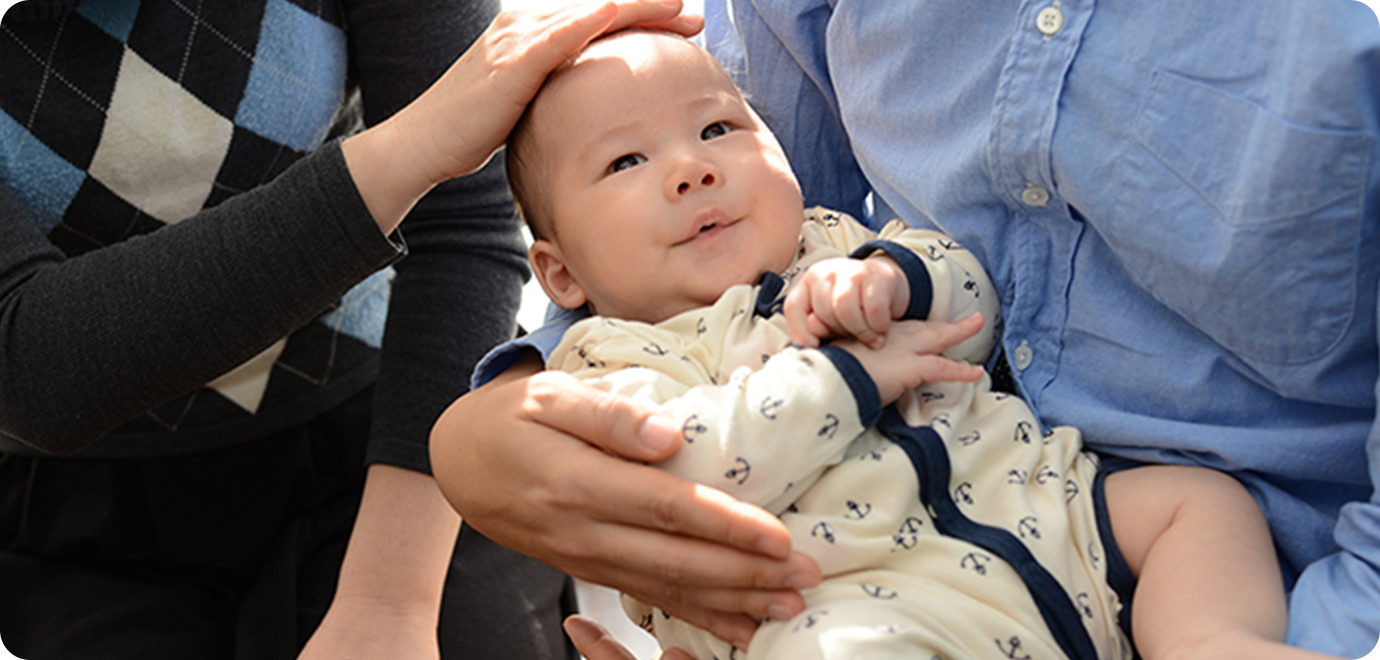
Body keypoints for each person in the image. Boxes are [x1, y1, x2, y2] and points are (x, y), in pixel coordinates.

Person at [431, 2, 1380, 657]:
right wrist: (845, 377)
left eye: (721, 130)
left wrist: (894, 279)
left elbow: (971, 299)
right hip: (847, 599)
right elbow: (694, 472)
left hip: (1057, 518)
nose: (691, 169)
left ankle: (1210, 640)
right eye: (629, 161)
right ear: (557, 273)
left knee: (1200, 507)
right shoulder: (613, 360)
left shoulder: (832, 246)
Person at [0, 1, 700, 658]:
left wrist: (390, 599)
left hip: (402, 424)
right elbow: (28, 366)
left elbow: (462, 228)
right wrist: (417, 146)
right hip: (83, 524)